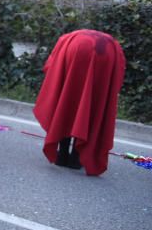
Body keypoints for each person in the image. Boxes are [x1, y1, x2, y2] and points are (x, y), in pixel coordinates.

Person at [33, 30, 125, 176]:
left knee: (67, 98)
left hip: (74, 46)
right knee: (93, 103)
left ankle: (62, 154)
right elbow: (117, 79)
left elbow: (50, 66)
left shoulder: (66, 38)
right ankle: (77, 157)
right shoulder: (113, 44)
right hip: (107, 52)